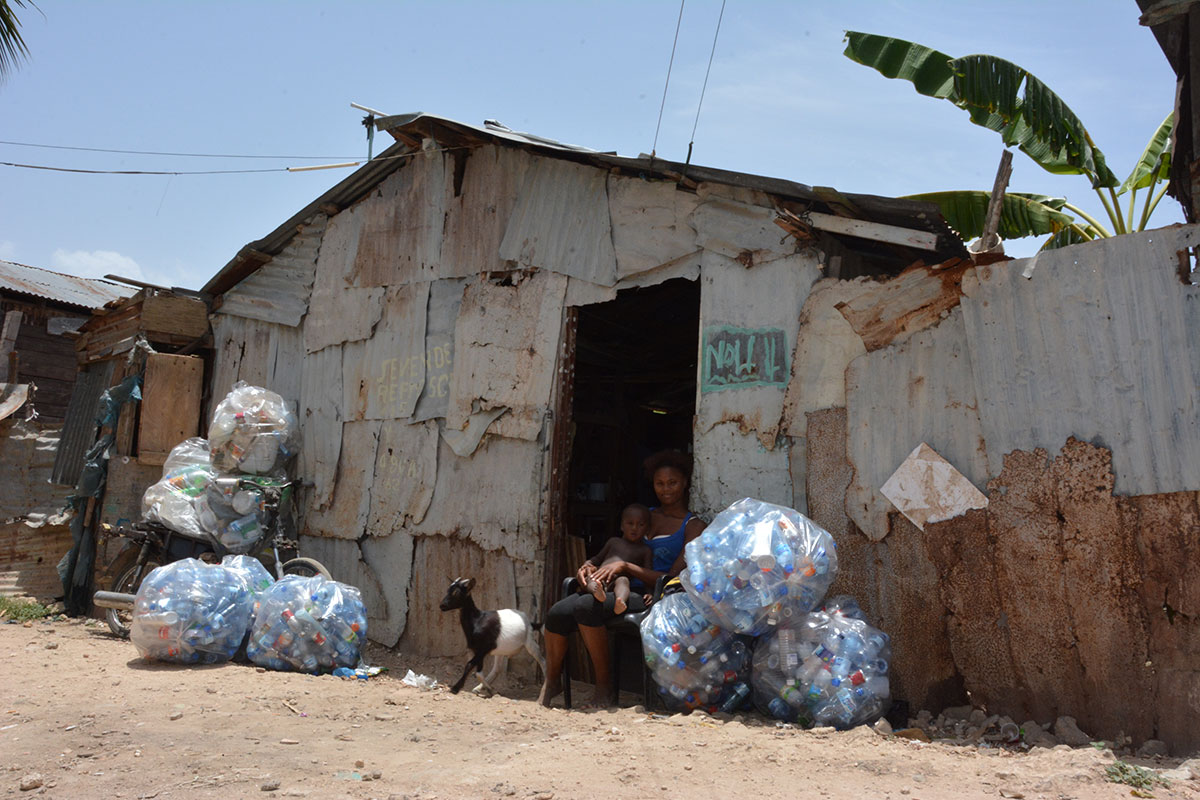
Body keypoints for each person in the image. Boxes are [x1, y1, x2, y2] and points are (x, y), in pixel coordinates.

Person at [539, 449, 707, 708]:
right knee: (557, 613)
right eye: (659, 483)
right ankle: (552, 681)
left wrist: (626, 567)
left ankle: (604, 688)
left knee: (586, 608)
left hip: (655, 594)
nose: (666, 489)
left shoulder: (693, 525)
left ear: (685, 483)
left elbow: (671, 578)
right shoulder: (642, 516)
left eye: (672, 482)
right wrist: (589, 566)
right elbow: (616, 550)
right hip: (616, 588)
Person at [578, 503, 653, 615]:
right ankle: (597, 593)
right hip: (601, 576)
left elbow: (647, 575)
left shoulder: (645, 550)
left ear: (647, 529)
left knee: (624, 581)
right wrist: (588, 563)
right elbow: (598, 558)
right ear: (622, 526)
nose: (634, 528)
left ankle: (620, 601)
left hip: (618, 579)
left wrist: (650, 593)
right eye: (630, 523)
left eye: (641, 525)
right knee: (592, 579)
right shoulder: (613, 542)